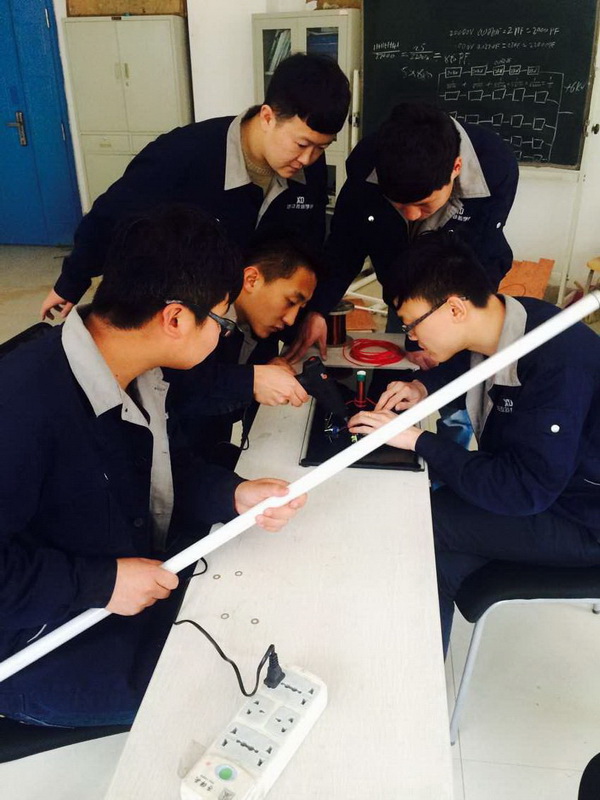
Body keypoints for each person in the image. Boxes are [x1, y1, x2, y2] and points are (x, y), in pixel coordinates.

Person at [0, 205, 306, 727]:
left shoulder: (135, 367)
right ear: (176, 319)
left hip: (113, 582)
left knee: (255, 614)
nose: (223, 337)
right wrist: (101, 583)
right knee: (221, 692)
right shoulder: (23, 403)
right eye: (222, 321)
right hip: (36, 641)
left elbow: (161, 465)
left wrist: (233, 494)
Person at [348, 231, 600, 655]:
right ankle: (417, 655)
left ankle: (409, 666)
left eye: (412, 324)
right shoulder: (509, 320)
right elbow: (469, 359)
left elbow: (523, 490)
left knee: (416, 520)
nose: (412, 338)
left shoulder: (558, 363)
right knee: (437, 557)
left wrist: (418, 440)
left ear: (454, 308)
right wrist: (422, 387)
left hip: (580, 519)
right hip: (552, 492)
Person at [287, 101, 519, 367]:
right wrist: (318, 309)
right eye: (398, 205)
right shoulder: (367, 163)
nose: (411, 215)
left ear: (456, 168)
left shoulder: (494, 167)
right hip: (400, 288)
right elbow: (345, 243)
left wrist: (443, 334)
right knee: (399, 368)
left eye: (423, 205)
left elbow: (481, 258)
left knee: (452, 368)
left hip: (458, 295)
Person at [168, 235, 321, 466]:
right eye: (290, 301)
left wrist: (267, 370)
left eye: (300, 308)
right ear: (251, 279)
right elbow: (175, 388)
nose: (291, 319)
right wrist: (252, 380)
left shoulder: (257, 328)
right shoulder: (192, 314)